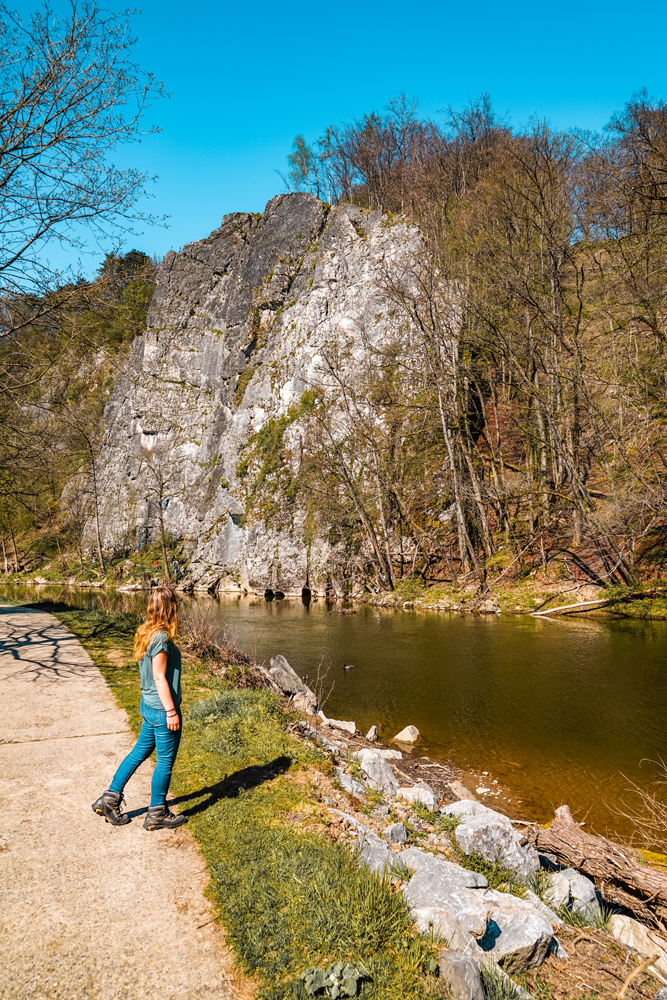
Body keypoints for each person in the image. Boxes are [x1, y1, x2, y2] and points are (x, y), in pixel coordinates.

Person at [92, 585, 186, 830]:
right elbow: (158, 677)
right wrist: (171, 711)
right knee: (164, 760)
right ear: (171, 607)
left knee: (139, 753)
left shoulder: (146, 632)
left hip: (149, 706)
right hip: (160, 710)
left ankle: (109, 799)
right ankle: (157, 812)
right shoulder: (162, 638)